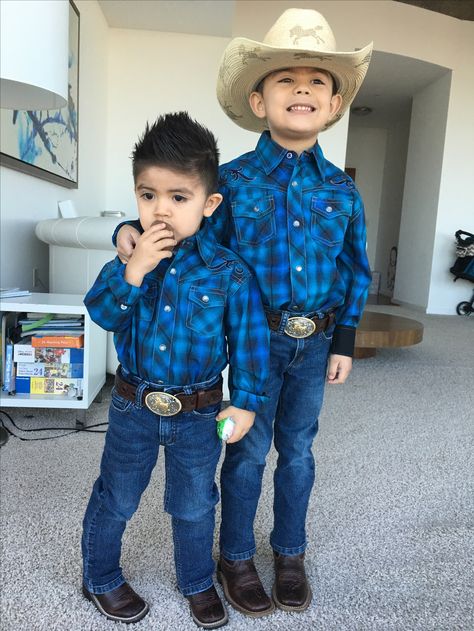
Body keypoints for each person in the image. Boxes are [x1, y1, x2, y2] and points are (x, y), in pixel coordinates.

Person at [114, 8, 373, 617]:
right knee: (247, 449)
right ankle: (234, 556)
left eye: (317, 80)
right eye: (286, 78)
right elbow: (187, 238)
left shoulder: (342, 190)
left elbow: (356, 268)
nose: (302, 88)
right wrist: (131, 227)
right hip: (253, 347)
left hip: (316, 344)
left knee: (299, 450)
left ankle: (289, 551)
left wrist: (346, 340)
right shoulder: (225, 183)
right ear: (258, 100)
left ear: (334, 105)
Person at [81, 112, 269, 628]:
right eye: (147, 196)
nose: (160, 211)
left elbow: (250, 343)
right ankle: (99, 576)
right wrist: (133, 271)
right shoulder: (126, 258)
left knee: (194, 503)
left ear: (209, 204)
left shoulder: (229, 273)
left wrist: (246, 401)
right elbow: (100, 312)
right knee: (116, 497)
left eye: (178, 198)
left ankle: (196, 582)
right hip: (131, 406)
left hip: (199, 413)